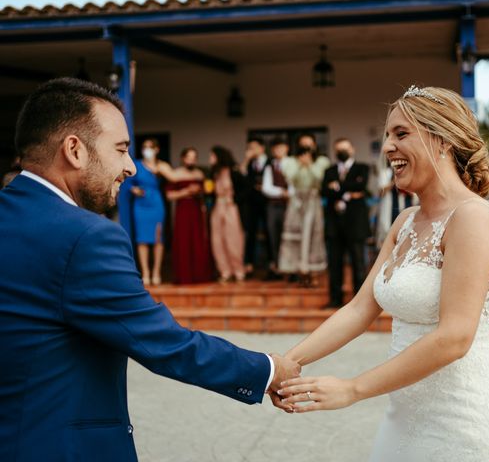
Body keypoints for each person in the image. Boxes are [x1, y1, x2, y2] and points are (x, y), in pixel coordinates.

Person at [0, 77, 300, 462]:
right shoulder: (86, 236)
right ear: (74, 150)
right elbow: (163, 343)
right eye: (122, 149)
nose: (131, 168)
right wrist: (268, 370)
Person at [273, 86, 489, 461]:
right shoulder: (405, 222)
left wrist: (353, 388)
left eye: (401, 133)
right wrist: (288, 362)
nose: (388, 147)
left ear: (441, 140)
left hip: (461, 426)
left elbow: (455, 336)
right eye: (387, 136)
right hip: (403, 421)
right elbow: (360, 309)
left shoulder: (473, 218)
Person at [321, 137, 370, 307]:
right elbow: (324, 191)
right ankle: (335, 299)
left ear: (352, 149)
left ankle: (360, 302)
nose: (342, 152)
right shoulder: (329, 170)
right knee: (335, 265)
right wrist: (349, 190)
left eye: (345, 148)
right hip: (334, 226)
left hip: (355, 224)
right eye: (339, 149)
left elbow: (362, 186)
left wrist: (338, 187)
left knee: (358, 263)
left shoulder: (362, 168)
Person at [278, 134, 330, 287]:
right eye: (303, 145)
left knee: (314, 236)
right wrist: (301, 164)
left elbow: (319, 179)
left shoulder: (322, 161)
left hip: (313, 201)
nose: (306, 148)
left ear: (314, 145)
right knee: (295, 237)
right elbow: (290, 178)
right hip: (296, 202)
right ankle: (299, 272)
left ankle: (313, 273)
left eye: (309, 145)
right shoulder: (289, 161)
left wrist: (309, 164)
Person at [130, 138, 182, 285]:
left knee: (158, 239)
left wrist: (158, 170)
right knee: (142, 239)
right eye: (144, 147)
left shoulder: (161, 166)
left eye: (150, 147)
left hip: (156, 203)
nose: (146, 150)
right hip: (140, 205)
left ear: (157, 149)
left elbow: (174, 178)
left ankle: (156, 272)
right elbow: (127, 182)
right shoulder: (137, 165)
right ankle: (145, 272)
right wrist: (133, 189)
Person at [166, 147, 212, 284]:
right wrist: (186, 191)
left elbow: (206, 193)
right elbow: (169, 196)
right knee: (183, 241)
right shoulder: (175, 174)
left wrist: (200, 193)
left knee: (198, 240)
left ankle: (199, 275)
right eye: (189, 157)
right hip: (183, 210)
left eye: (194, 158)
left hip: (197, 210)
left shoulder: (200, 174)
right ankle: (184, 276)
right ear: (183, 158)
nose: (191, 160)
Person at [209, 145, 248, 282]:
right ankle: (224, 271)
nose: (210, 159)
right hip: (218, 208)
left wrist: (234, 199)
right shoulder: (214, 173)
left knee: (234, 239)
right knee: (217, 240)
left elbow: (245, 189)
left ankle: (238, 269)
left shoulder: (234, 171)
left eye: (212, 156)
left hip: (231, 208)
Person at [261, 137, 291, 279]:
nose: (278, 151)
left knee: (290, 236)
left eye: (281, 147)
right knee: (273, 236)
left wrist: (289, 193)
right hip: (273, 206)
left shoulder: (294, 164)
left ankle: (292, 269)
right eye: (275, 148)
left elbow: (296, 185)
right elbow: (266, 188)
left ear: (287, 149)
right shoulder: (270, 167)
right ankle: (276, 268)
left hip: (290, 207)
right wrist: (282, 192)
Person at [241, 137, 270, 278]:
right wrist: (246, 159)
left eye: (253, 147)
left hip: (267, 203)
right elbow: (241, 175)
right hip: (251, 204)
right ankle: (249, 265)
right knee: (250, 233)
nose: (251, 150)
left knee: (269, 233)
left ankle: (272, 265)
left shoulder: (270, 162)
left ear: (262, 148)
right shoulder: (249, 164)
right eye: (249, 147)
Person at [375, 160, 417, 249]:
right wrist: (394, 181)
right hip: (390, 210)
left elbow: (415, 194)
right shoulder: (385, 173)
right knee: (389, 236)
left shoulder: (409, 173)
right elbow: (380, 192)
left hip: (405, 206)